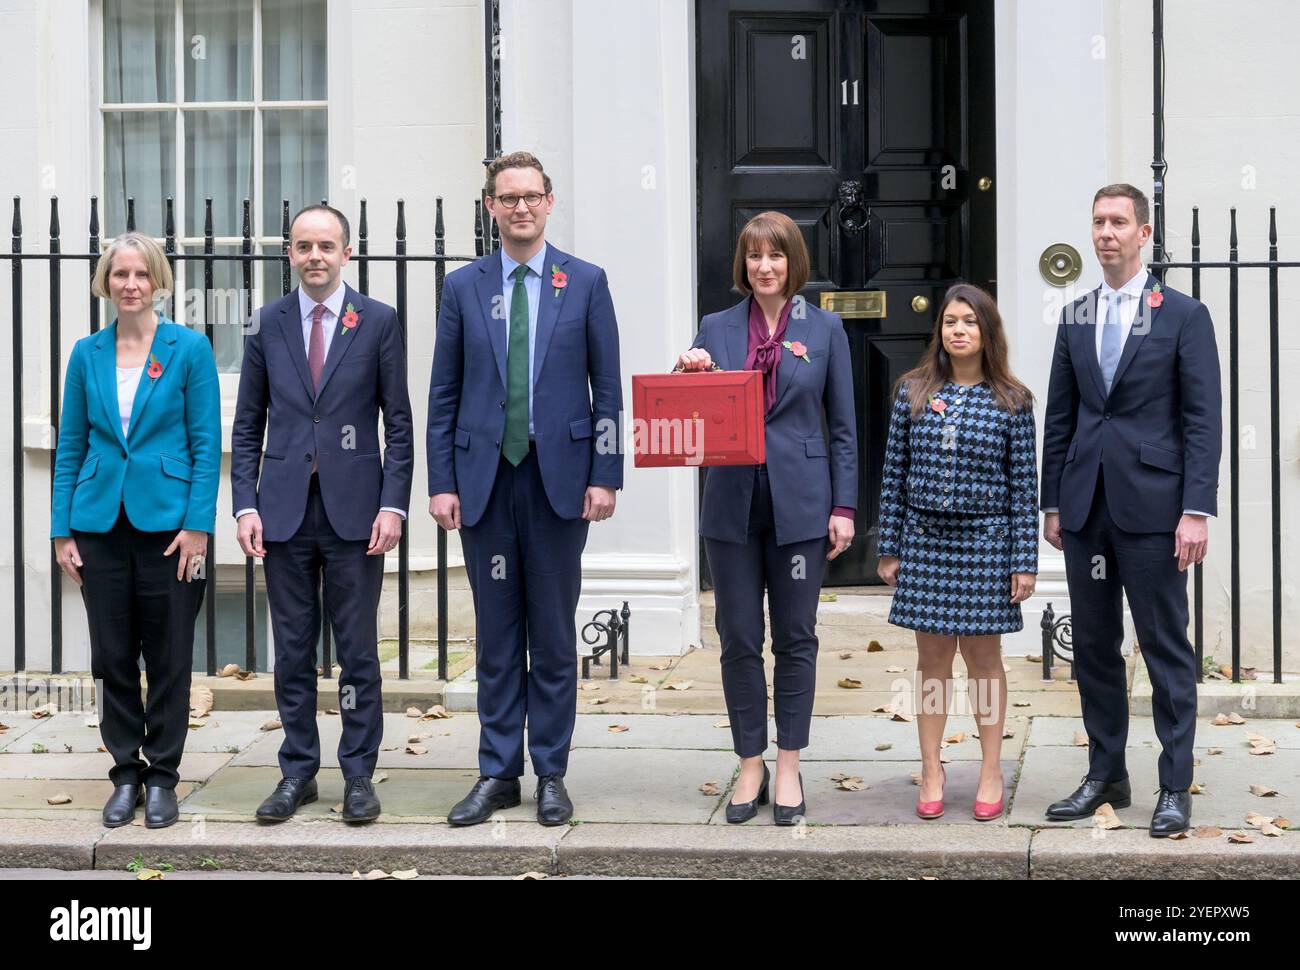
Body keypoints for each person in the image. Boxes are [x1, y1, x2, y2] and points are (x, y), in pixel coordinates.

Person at [427, 151, 623, 826]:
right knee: (497, 636)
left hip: (558, 484)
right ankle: (495, 771)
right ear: (490, 207)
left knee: (553, 633)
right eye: (506, 198)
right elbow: (443, 393)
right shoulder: (463, 287)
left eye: (530, 196)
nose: (519, 208)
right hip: (484, 482)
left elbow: (608, 394)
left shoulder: (587, 283)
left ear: (549, 201)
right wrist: (441, 482)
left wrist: (606, 474)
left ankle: (551, 772)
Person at [1040, 183, 1221, 838]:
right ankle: (1105, 773)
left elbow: (1203, 421)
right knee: (1093, 646)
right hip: (1087, 508)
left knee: (1166, 646)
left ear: (1144, 233)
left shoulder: (1182, 315)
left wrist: (1196, 508)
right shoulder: (1076, 314)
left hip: (1156, 510)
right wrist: (1053, 503)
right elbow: (1061, 417)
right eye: (1098, 222)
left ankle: (1175, 785)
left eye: (1119, 221)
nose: (1106, 232)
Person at [231, 204, 413, 824]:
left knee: (358, 651)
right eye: (304, 246)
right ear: (290, 254)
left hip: (356, 514)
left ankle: (358, 774)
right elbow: (247, 422)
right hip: (281, 511)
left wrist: (393, 504)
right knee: (292, 649)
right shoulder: (265, 323)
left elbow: (401, 424)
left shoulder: (379, 322)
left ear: (346, 253)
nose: (315, 256)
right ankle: (297, 771)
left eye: (326, 246)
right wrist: (244, 504)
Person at [676, 211, 856, 824]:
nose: (765, 267)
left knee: (797, 637)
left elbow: (843, 431)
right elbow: (689, 419)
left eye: (776, 256)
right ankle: (748, 760)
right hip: (731, 506)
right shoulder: (716, 327)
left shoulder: (827, 329)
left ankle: (787, 764)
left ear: (793, 262)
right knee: (740, 638)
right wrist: (688, 375)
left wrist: (844, 506)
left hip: (801, 505)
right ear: (743, 264)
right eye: (754, 256)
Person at [51, 231, 221, 829]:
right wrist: (60, 530)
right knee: (112, 657)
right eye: (120, 274)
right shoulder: (86, 353)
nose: (130, 285)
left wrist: (199, 527)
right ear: (105, 282)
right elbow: (70, 445)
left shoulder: (189, 349)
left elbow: (207, 444)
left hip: (171, 529)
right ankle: (125, 774)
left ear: (158, 281)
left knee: (170, 655)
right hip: (98, 525)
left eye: (141, 274)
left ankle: (163, 777)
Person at [877, 282, 1038, 822]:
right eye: (950, 321)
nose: (959, 330)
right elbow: (893, 473)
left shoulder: (1012, 401)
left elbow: (1024, 488)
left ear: (986, 331)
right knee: (932, 663)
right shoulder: (913, 391)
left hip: (987, 545)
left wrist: (1023, 559)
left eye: (969, 321)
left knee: (985, 662)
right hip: (925, 543)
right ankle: (931, 767)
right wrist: (891, 546)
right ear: (939, 331)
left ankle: (991, 767)